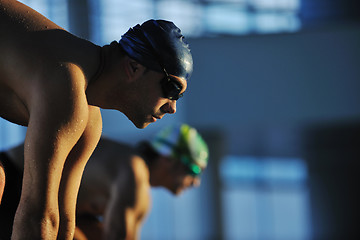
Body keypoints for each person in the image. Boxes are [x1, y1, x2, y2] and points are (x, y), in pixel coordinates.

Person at [0, 0, 193, 239]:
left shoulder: (89, 120)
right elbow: (37, 215)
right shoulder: (67, 83)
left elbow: (62, 222)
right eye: (171, 89)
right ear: (133, 67)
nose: (172, 107)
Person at [0, 124, 209, 240]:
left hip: (16, 181)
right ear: (169, 159)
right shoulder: (136, 174)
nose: (196, 182)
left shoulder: (123, 161)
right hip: (12, 181)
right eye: (194, 170)